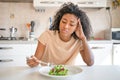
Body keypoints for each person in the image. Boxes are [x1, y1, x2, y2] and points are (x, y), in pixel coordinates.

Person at [27, 2, 94, 67]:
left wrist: (83, 38)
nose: (66, 26)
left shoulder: (79, 41)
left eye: (71, 24)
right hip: (47, 74)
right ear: (59, 21)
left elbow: (90, 62)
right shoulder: (46, 36)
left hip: (68, 74)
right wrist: (32, 62)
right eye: (64, 22)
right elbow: (36, 60)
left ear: (77, 27)